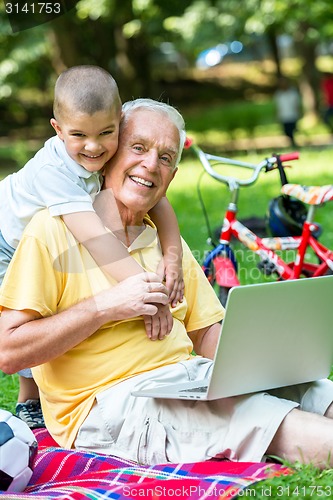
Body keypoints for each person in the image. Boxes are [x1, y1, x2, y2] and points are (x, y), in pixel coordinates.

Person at [1, 99, 333, 469]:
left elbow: (206, 335)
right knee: (271, 418)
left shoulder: (165, 241)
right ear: (108, 155)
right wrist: (107, 306)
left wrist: (263, 364)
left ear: (171, 176)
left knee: (318, 390)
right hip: (111, 403)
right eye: (138, 148)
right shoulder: (51, 230)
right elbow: (9, 351)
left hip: (187, 379)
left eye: (165, 157)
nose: (150, 165)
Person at [0, 67, 184, 429]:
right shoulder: (54, 173)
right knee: (27, 313)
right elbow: (97, 240)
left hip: (39, 237)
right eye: (79, 135)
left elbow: (159, 202)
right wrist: (151, 296)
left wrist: (173, 257)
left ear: (119, 122)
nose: (94, 146)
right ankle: (29, 401)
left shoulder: (96, 156)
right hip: (4, 243)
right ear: (57, 129)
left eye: (106, 133)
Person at [274, 77, 301, 148]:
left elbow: (296, 104)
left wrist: (298, 113)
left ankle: (293, 142)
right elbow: (278, 106)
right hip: (284, 115)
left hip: (292, 114)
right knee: (286, 130)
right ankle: (292, 142)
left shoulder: (292, 93)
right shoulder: (278, 94)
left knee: (292, 129)